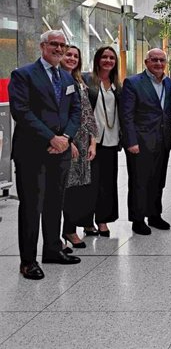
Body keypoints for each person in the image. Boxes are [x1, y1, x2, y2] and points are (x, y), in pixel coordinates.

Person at [9, 30, 81, 280]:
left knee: (54, 203)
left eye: (63, 45)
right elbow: (21, 111)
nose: (59, 49)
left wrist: (66, 138)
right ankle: (28, 262)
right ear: (42, 46)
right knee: (31, 206)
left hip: (59, 151)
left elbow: (75, 112)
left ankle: (52, 250)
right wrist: (52, 138)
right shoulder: (23, 75)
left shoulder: (67, 78)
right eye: (54, 44)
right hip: (32, 152)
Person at [121, 48, 171, 235]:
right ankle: (138, 219)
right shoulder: (133, 83)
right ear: (146, 62)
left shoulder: (170, 83)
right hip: (140, 142)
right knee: (139, 181)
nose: (158, 64)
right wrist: (131, 141)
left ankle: (155, 215)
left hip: (163, 140)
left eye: (162, 61)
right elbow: (126, 116)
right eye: (154, 60)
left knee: (158, 180)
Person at [60, 46, 98, 249]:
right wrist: (69, 141)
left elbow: (87, 112)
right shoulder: (57, 81)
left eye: (76, 56)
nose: (72, 58)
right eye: (68, 54)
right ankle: (68, 230)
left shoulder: (80, 81)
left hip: (84, 142)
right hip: (68, 141)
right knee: (68, 189)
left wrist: (93, 141)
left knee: (80, 188)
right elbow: (60, 115)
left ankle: (72, 226)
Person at [83, 46, 121, 237]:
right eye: (104, 57)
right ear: (97, 59)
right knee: (90, 184)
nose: (108, 60)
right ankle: (87, 222)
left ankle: (103, 220)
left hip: (111, 141)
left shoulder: (117, 84)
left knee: (107, 183)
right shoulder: (86, 80)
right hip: (91, 141)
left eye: (111, 58)